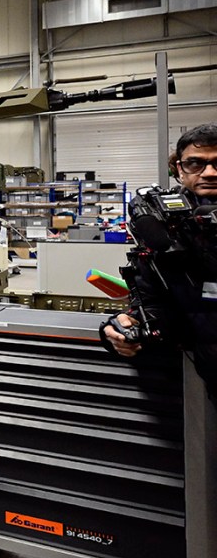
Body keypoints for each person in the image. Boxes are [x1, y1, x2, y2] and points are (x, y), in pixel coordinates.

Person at [101, 123, 217, 404]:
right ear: (178, 169)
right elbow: (157, 301)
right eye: (195, 163)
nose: (210, 173)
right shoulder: (167, 227)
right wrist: (124, 325)